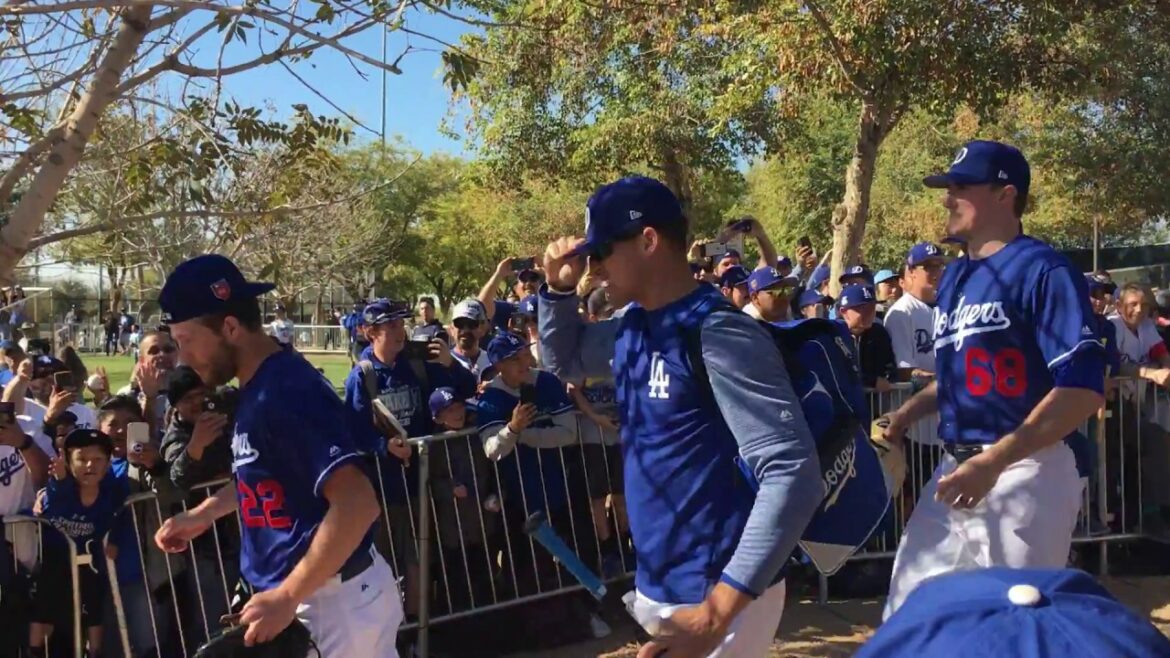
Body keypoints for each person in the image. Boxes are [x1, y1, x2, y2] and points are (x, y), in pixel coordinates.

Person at [539, 176, 821, 657]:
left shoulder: (717, 332)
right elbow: (564, 361)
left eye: (603, 249)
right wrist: (555, 293)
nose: (594, 267)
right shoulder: (633, 326)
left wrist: (718, 609)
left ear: (648, 241)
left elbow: (793, 471)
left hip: (715, 589)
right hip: (665, 582)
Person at [877, 140, 1105, 619]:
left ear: (1005, 195)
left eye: (961, 187)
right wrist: (903, 415)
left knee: (1015, 628)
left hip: (1026, 473)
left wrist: (997, 461)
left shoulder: (1044, 269)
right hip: (955, 470)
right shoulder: (957, 277)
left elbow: (1082, 390)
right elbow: (956, 378)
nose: (946, 197)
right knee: (908, 617)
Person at [153, 254, 396, 657]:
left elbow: (357, 503)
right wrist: (206, 514)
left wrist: (286, 595)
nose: (182, 358)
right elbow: (273, 474)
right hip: (314, 600)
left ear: (230, 327)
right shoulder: (259, 386)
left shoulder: (284, 391)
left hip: (332, 605)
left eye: (186, 341)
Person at [31, 428, 127, 658]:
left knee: (92, 606)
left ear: (107, 463)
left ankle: (94, 652)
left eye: (97, 460)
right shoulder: (59, 484)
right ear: (69, 462)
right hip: (56, 557)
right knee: (45, 607)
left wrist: (114, 541)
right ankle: (33, 651)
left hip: (90, 557)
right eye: (81, 459)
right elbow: (54, 507)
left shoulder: (113, 490)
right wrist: (62, 482)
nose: (89, 466)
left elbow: (121, 515)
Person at [884, 242, 945, 380]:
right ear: (911, 272)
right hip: (916, 397)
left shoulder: (947, 307)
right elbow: (905, 370)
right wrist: (942, 380)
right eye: (929, 266)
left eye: (939, 265)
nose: (936, 272)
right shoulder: (901, 312)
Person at [838, 284, 896, 393]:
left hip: (875, 405)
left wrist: (885, 378)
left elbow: (890, 369)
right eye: (862, 309)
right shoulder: (834, 334)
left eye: (871, 308)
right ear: (844, 312)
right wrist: (872, 380)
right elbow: (840, 374)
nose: (868, 313)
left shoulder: (879, 333)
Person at [448, 299, 492, 380]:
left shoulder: (492, 362)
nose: (465, 330)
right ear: (451, 329)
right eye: (460, 324)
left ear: (482, 328)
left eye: (471, 324)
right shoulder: (444, 363)